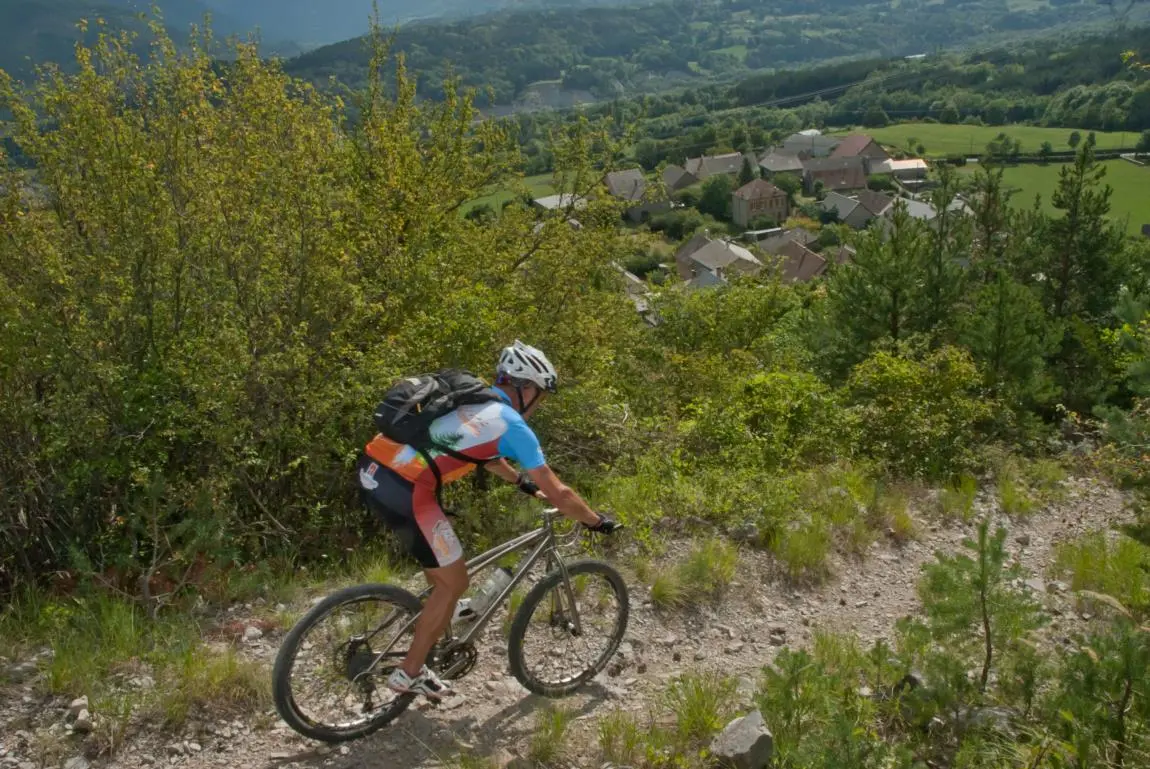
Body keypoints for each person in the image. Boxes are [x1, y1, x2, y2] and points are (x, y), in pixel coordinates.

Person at [356, 341, 621, 701]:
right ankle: (410, 674)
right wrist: (596, 521)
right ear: (526, 388)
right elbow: (560, 492)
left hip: (374, 470)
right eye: (540, 395)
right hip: (409, 490)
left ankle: (425, 634)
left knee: (440, 576)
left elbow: (487, 456)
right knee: (455, 583)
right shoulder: (512, 424)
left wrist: (523, 485)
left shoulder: (474, 401)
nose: (538, 405)